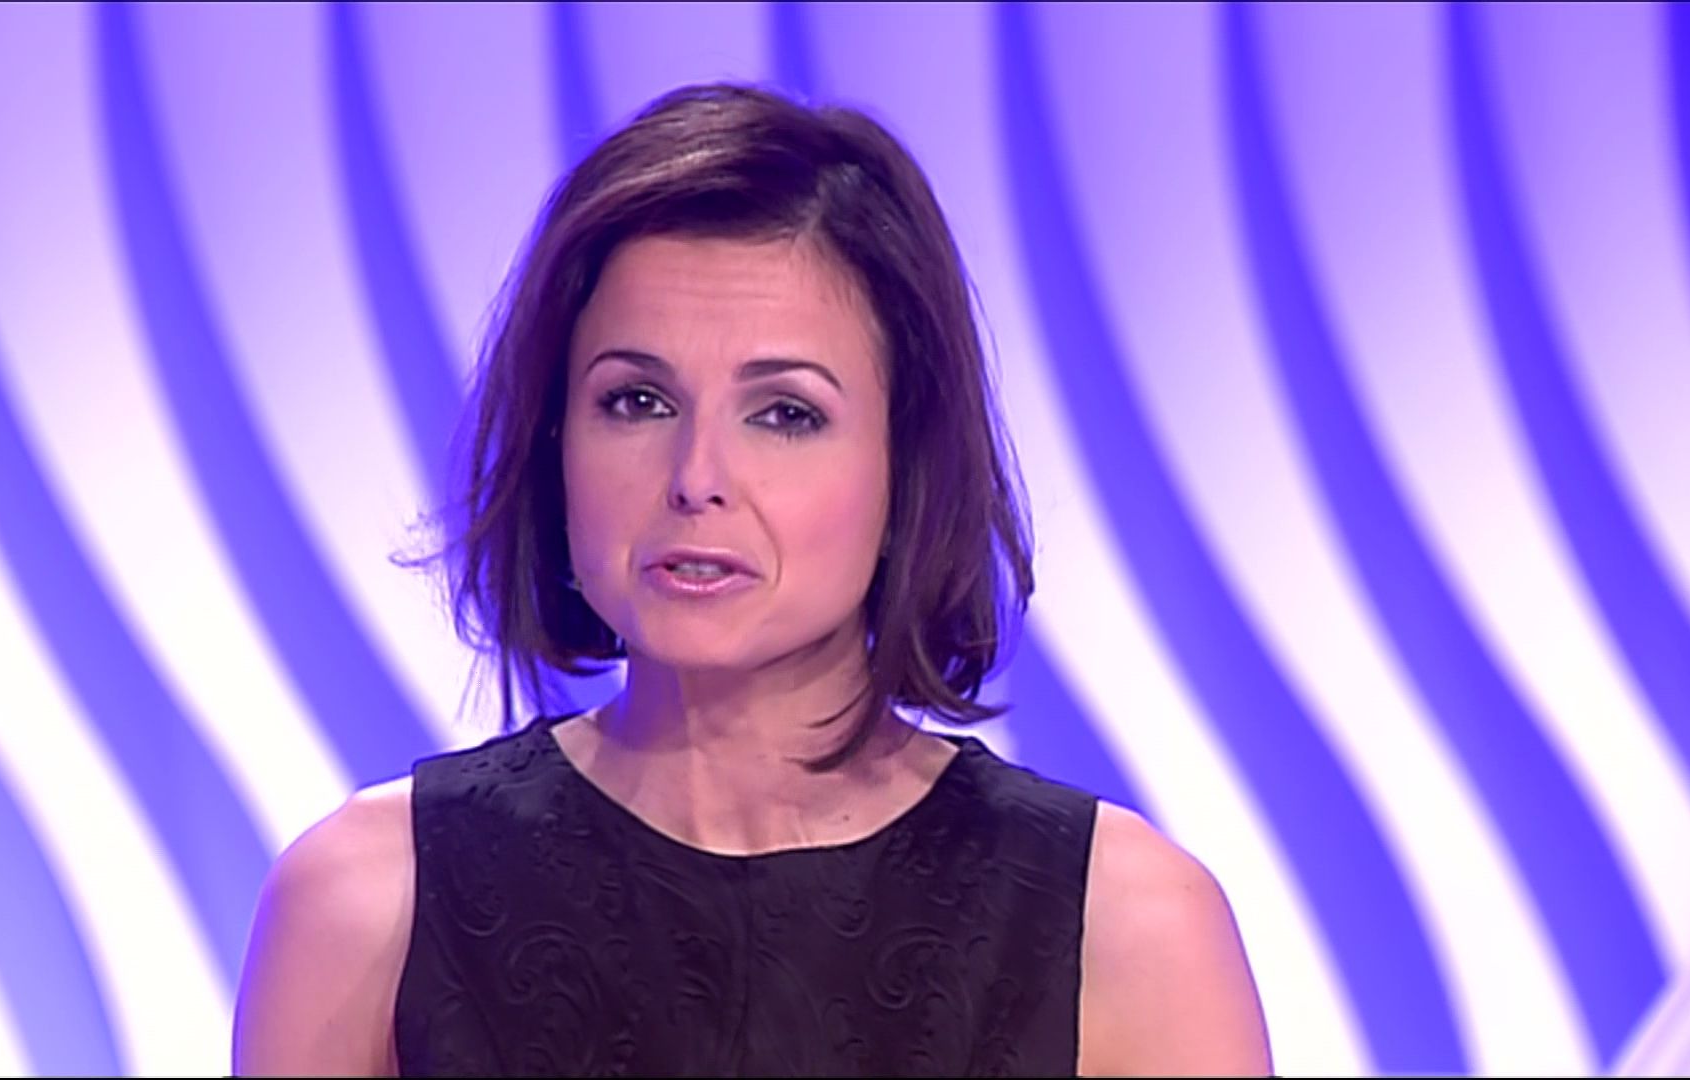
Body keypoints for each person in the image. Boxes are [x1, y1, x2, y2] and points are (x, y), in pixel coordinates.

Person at [231, 83, 1271, 1077]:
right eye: (637, 402)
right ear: (555, 442)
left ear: (906, 466)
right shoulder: (369, 903)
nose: (696, 478)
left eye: (784, 414)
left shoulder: (1123, 927)